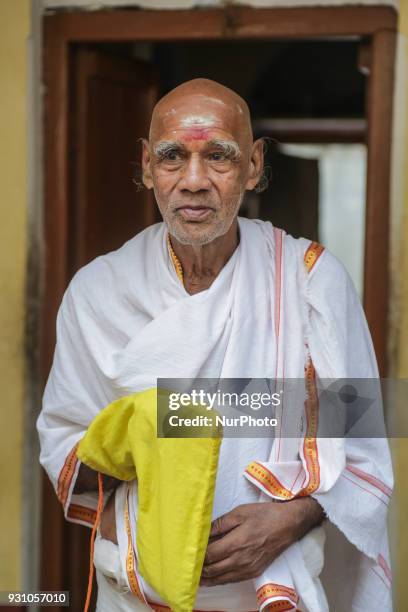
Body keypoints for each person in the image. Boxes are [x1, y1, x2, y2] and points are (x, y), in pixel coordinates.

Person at [37, 78, 393, 612]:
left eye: (219, 157)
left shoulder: (310, 281)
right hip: (135, 591)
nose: (194, 181)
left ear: (252, 165)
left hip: (272, 592)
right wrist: (132, 434)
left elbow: (360, 441)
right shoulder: (97, 292)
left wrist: (290, 518)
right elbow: (64, 447)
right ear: (145, 165)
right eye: (173, 157)